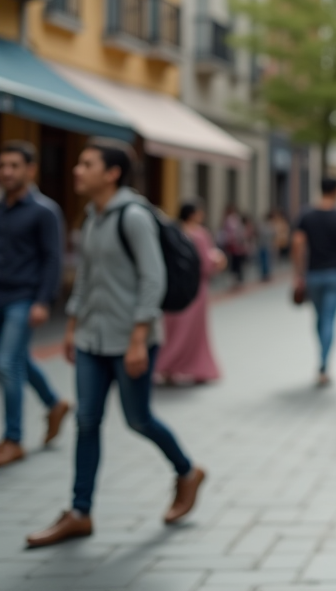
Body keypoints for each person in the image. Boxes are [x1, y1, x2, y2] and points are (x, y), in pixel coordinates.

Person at [27, 139, 204, 548]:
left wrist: (139, 337)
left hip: (130, 340)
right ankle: (79, 512)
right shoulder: (91, 216)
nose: (76, 169)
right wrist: (72, 325)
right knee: (87, 421)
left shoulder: (134, 217)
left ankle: (187, 471)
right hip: (92, 337)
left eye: (86, 164)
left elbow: (152, 279)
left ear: (112, 173)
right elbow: (86, 276)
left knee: (138, 418)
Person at [0, 141, 71, 466]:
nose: (7, 172)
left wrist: (43, 301)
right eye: (3, 166)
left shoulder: (44, 211)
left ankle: (13, 439)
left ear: (30, 170)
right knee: (18, 360)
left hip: (24, 298)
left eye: (14, 166)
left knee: (7, 364)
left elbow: (52, 259)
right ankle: (54, 404)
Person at [293, 177, 336, 386]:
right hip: (335, 274)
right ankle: (324, 363)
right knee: (329, 319)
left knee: (320, 319)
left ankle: (322, 359)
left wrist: (299, 272)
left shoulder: (307, 216)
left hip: (314, 274)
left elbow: (298, 244)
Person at [156, 202, 225, 385]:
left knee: (172, 331)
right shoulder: (200, 234)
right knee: (194, 334)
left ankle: (166, 368)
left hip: (173, 288)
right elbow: (205, 264)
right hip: (195, 289)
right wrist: (218, 260)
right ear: (194, 214)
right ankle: (196, 368)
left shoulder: (174, 232)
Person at [219, 205, 247, 286]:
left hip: (234, 245)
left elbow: (233, 232)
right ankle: (237, 278)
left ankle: (236, 278)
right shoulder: (235, 219)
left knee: (235, 261)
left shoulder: (230, 219)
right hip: (235, 245)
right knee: (236, 261)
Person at [257, 212, 276, 282]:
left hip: (264, 245)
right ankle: (265, 274)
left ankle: (265, 274)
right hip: (266, 246)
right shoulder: (269, 226)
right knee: (266, 261)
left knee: (265, 261)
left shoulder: (263, 225)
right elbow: (273, 235)